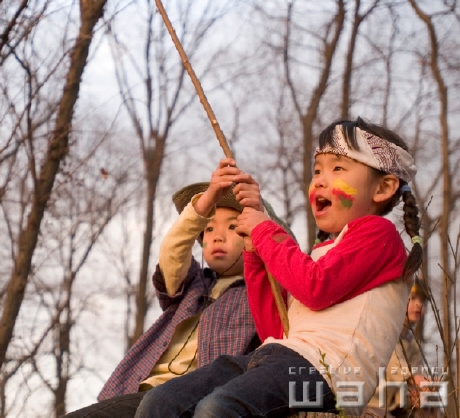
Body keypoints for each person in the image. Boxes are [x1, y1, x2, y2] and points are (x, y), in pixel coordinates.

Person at [134, 117, 423, 418]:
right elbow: (276, 327)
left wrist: (265, 231)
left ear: (384, 188)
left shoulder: (379, 235)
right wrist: (254, 253)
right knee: (161, 402)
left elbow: (316, 287)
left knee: (218, 408)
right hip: (279, 357)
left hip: (329, 373)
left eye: (337, 168)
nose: (320, 180)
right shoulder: (323, 252)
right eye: (317, 170)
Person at [63, 159, 287, 417]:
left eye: (233, 227)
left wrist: (260, 221)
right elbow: (173, 251)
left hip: (197, 395)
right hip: (142, 390)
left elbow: (281, 258)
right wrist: (204, 203)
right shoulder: (192, 284)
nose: (216, 235)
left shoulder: (260, 292)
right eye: (208, 228)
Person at [363, 280, 429, 418]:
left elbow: (414, 375)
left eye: (422, 300)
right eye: (412, 298)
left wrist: (415, 392)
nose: (418, 305)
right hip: (369, 403)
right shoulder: (384, 332)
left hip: (393, 407)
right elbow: (396, 364)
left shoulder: (414, 344)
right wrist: (415, 379)